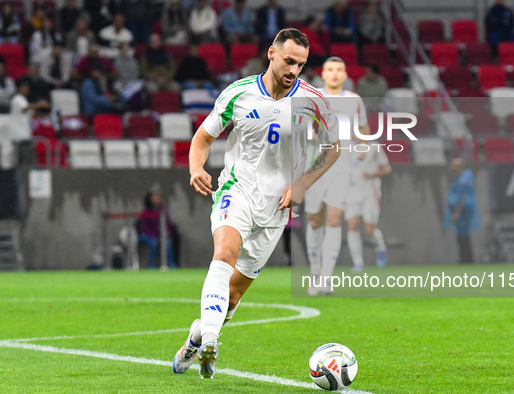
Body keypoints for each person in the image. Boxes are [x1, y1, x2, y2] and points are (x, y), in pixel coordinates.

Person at [171, 28, 340, 379]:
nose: (294, 70)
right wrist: (196, 167)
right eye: (289, 61)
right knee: (224, 252)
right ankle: (211, 343)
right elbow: (203, 137)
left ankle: (197, 336)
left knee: (233, 296)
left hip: (276, 208)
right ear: (271, 54)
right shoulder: (239, 93)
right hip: (238, 191)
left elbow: (333, 146)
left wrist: (303, 183)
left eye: (301, 64)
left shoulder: (313, 101)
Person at [305, 56, 369, 295]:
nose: (334, 74)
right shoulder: (311, 97)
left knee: (334, 219)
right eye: (330, 70)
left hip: (342, 166)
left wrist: (362, 147)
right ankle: (314, 273)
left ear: (345, 74)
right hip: (314, 166)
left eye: (339, 70)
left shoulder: (354, 100)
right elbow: (298, 125)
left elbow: (362, 127)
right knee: (315, 220)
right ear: (323, 73)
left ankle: (325, 278)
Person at [346, 138, 391, 272]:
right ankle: (358, 263)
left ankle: (381, 249)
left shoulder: (375, 147)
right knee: (352, 226)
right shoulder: (345, 147)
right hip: (352, 191)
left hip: (370, 191)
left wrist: (371, 174)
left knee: (369, 230)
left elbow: (387, 169)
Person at [443, 158, 480, 264]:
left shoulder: (464, 179)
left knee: (463, 236)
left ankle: (466, 259)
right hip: (461, 211)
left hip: (463, 212)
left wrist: (457, 212)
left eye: (453, 165)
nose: (451, 167)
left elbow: (463, 197)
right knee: (462, 236)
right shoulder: (460, 178)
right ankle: (465, 258)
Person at [139, 190, 177, 269]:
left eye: (157, 197)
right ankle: (151, 265)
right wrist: (155, 236)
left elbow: (167, 224)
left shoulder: (162, 209)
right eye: (154, 197)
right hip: (147, 235)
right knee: (153, 243)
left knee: (167, 243)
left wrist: (166, 233)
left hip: (160, 235)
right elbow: (145, 228)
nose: (157, 199)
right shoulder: (146, 210)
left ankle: (171, 264)